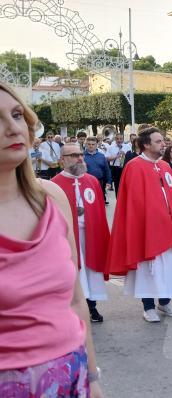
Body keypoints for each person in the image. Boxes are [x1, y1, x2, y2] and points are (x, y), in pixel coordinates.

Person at [0, 81, 104, 397]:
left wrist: (94, 379)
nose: (12, 128)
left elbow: (74, 299)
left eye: (17, 115)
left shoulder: (53, 198)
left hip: (71, 374)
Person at [106, 127, 172, 323]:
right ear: (146, 145)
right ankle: (148, 307)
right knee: (148, 269)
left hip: (171, 229)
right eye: (158, 141)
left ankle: (165, 303)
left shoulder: (164, 166)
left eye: (163, 140)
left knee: (169, 268)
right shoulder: (134, 166)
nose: (163, 143)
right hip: (148, 230)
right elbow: (132, 204)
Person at [52, 144, 111, 323]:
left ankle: (91, 307)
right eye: (74, 155)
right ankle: (71, 309)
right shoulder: (54, 184)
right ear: (62, 159)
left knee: (90, 271)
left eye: (81, 154)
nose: (80, 158)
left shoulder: (92, 181)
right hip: (68, 238)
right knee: (73, 273)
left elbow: (100, 211)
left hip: (90, 236)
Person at [82, 137, 111, 204]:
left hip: (100, 182)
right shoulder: (82, 156)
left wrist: (109, 181)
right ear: (86, 145)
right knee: (89, 202)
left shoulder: (101, 156)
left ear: (96, 145)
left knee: (100, 201)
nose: (91, 146)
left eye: (93, 144)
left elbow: (107, 170)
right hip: (86, 183)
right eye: (89, 144)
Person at [106, 134, 130, 199]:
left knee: (126, 185)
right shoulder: (111, 147)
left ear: (123, 139)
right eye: (117, 139)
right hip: (115, 168)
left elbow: (130, 157)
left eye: (121, 139)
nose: (119, 140)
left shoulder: (127, 147)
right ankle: (118, 200)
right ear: (115, 139)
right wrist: (117, 156)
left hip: (125, 168)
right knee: (117, 186)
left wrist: (125, 155)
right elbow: (107, 158)